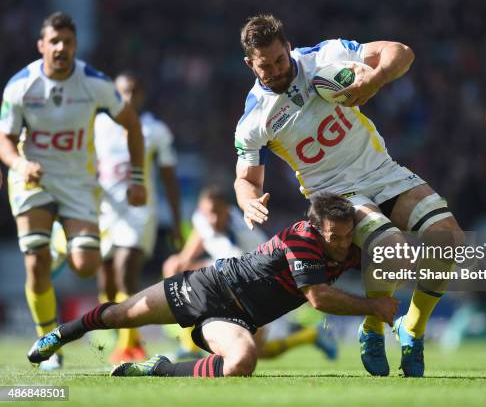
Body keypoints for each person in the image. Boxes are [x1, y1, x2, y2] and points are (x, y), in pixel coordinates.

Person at [233, 14, 463, 377]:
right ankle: (373, 327)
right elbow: (245, 178)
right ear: (250, 64)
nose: (277, 70)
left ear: (288, 47)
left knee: (448, 240)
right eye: (266, 66)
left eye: (281, 59)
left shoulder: (326, 57)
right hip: (336, 194)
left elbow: (400, 52)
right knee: (394, 251)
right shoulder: (254, 121)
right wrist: (248, 200)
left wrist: (376, 76)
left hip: (382, 171)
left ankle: (412, 329)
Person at [27, 193, 399, 378]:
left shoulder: (350, 247)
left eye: (347, 235)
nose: (341, 242)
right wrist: (373, 307)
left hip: (237, 319)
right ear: (317, 229)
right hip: (210, 286)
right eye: (334, 236)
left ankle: (158, 369)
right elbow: (317, 298)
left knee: (242, 363)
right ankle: (60, 334)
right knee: (124, 315)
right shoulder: (302, 238)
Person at [0, 12, 146, 370]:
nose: (61, 47)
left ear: (75, 46)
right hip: (32, 179)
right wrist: (18, 165)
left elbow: (132, 125)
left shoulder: (95, 84)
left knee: (86, 266)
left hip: (78, 183)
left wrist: (138, 178)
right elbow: (4, 138)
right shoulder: (21, 86)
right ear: (41, 46)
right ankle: (47, 341)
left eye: (67, 41)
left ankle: (61, 242)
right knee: (35, 264)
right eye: (54, 41)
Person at [163, 186, 337, 361]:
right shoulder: (202, 218)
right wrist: (183, 263)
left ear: (228, 210)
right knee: (173, 265)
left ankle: (311, 335)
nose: (213, 219)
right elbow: (192, 249)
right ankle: (189, 345)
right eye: (208, 213)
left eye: (217, 213)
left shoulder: (244, 234)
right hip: (229, 279)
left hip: (260, 285)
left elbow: (228, 273)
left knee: (260, 352)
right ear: (201, 210)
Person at [95, 71, 182, 364]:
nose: (128, 98)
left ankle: (130, 346)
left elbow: (170, 179)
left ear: (142, 94)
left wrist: (176, 220)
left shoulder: (155, 130)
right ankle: (124, 336)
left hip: (139, 213)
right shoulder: (99, 126)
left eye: (133, 91)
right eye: (122, 93)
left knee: (125, 270)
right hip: (105, 212)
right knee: (106, 281)